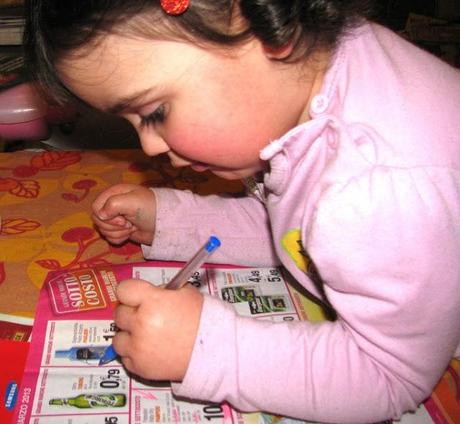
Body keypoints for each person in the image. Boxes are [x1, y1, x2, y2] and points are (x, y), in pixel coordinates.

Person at [24, 0, 460, 422]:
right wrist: (177, 219)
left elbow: (387, 377)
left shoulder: (376, 187)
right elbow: (298, 228)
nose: (149, 146)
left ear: (270, 27)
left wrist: (207, 350)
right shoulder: (333, 64)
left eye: (155, 111)